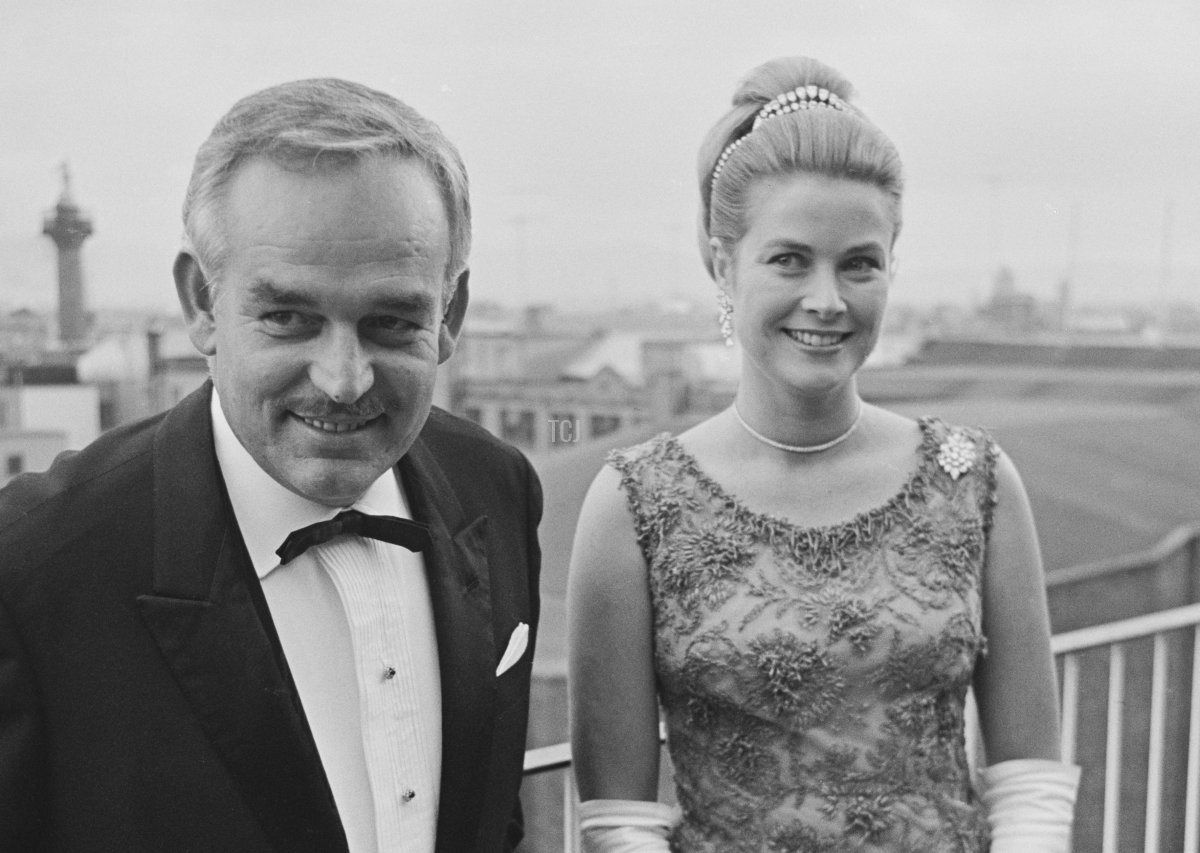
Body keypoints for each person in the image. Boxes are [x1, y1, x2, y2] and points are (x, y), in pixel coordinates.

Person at [0, 78, 541, 853]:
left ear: (449, 316)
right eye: (289, 317)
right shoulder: (32, 567)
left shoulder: (497, 484)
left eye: (391, 322)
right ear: (200, 302)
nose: (344, 377)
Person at [567, 57, 1078, 852]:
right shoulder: (634, 503)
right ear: (720, 262)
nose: (828, 300)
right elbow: (621, 822)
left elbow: (1030, 786)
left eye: (860, 264)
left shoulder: (975, 482)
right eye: (789, 259)